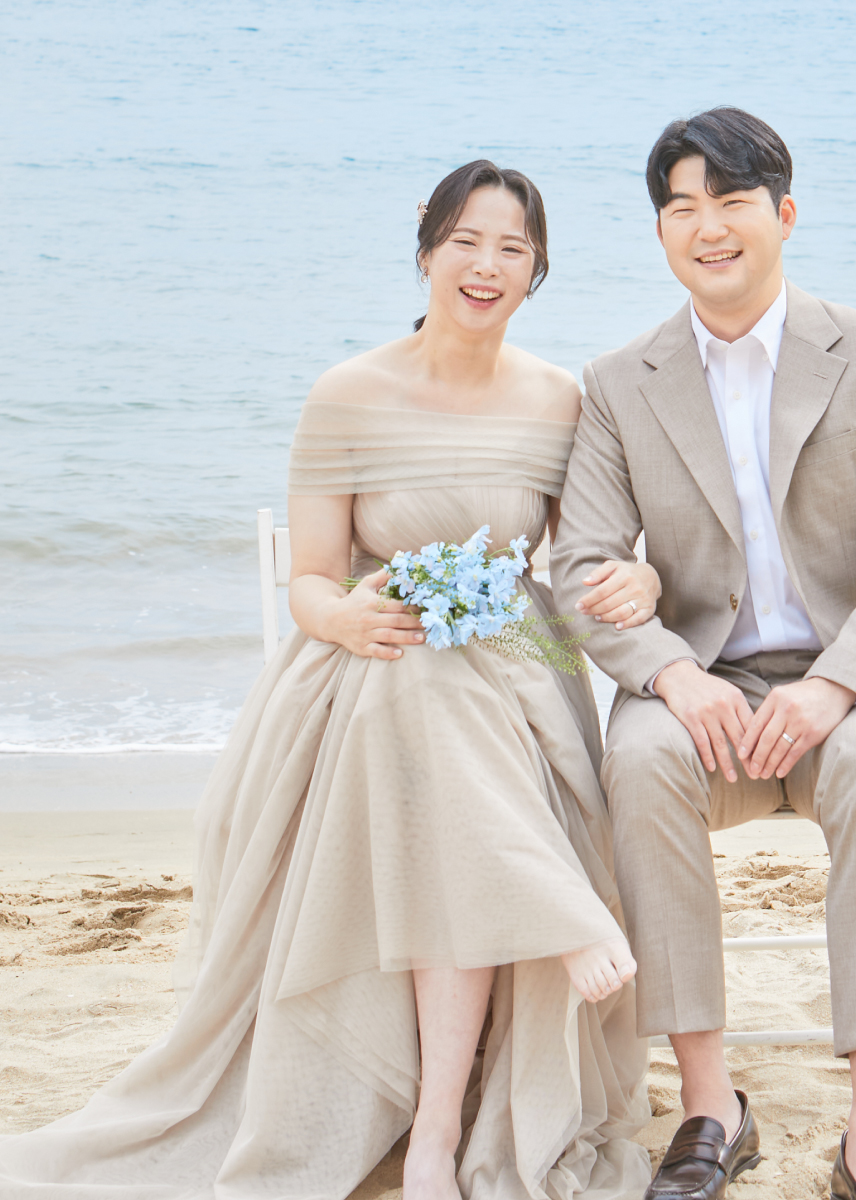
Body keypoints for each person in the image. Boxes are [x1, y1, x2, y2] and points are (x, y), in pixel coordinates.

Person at [0, 161, 661, 1200]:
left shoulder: (558, 400)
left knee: (445, 705)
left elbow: (581, 565)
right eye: (467, 242)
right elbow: (311, 579)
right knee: (416, 684)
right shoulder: (347, 393)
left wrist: (644, 575)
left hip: (516, 673)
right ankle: (533, 947)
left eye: (513, 250)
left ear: (537, 270)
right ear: (426, 246)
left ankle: (440, 1121)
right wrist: (346, 613)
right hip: (368, 660)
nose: (486, 267)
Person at [551, 108, 856, 1200]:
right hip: (705, 685)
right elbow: (581, 564)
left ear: (784, 214)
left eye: (732, 202)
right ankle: (710, 1105)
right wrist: (673, 674)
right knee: (639, 759)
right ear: (660, 232)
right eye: (683, 208)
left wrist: (835, 686)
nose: (709, 227)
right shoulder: (618, 381)